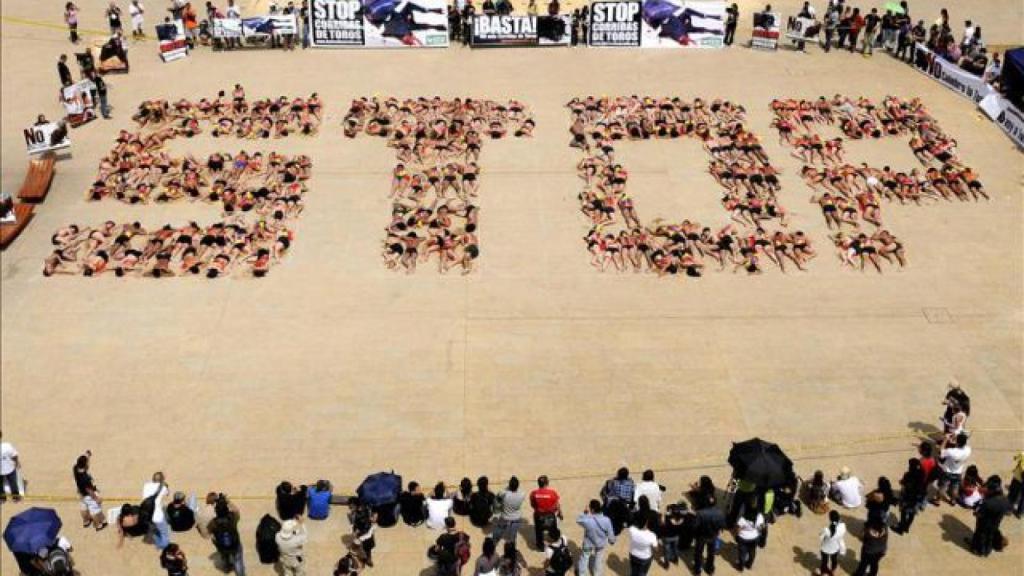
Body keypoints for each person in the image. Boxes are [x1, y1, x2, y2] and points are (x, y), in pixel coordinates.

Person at [970, 475, 1011, 556]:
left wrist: (975, 512)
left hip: (984, 523)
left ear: (991, 490)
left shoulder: (988, 503)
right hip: (996, 523)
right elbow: (1008, 512)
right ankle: (987, 551)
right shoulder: (1005, 499)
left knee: (980, 535)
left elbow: (979, 514)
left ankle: (979, 550)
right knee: (990, 536)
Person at [577, 499, 614, 576]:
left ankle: (582, 574)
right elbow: (610, 533)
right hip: (601, 544)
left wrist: (585, 513)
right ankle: (597, 574)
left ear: (592, 510)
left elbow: (578, 520)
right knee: (598, 559)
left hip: (588, 544)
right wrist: (612, 540)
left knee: (585, 557)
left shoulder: (588, 520)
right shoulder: (607, 520)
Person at [210, 494, 245, 576]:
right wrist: (228, 501)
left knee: (225, 557)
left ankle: (227, 567)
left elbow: (212, 536)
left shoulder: (213, 522)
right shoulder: (232, 518)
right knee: (238, 560)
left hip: (222, 545)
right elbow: (236, 511)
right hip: (235, 543)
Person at [73, 451, 107, 531]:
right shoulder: (85, 478)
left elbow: (82, 460)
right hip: (88, 496)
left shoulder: (75, 468)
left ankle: (86, 521)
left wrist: (87, 455)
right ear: (85, 465)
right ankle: (98, 525)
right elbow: (89, 490)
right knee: (94, 510)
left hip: (81, 493)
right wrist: (96, 499)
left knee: (83, 507)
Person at [936, 433, 972, 505]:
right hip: (958, 472)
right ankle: (953, 500)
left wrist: (946, 439)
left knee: (943, 486)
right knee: (955, 487)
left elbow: (940, 451)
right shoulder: (968, 450)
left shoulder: (951, 451)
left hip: (948, 471)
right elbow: (963, 443)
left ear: (957, 442)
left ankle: (938, 500)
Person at [531, 475, 562, 550]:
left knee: (538, 531)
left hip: (538, 515)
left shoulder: (533, 493)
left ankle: (540, 546)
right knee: (553, 529)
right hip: (550, 515)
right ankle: (555, 540)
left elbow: (532, 505)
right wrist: (560, 513)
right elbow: (557, 504)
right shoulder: (552, 493)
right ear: (546, 483)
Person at [693, 503, 725, 575]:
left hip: (701, 537)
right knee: (711, 554)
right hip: (713, 536)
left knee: (698, 553)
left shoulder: (700, 513)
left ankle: (697, 570)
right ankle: (710, 569)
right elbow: (722, 525)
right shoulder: (720, 513)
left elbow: (695, 526)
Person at [493, 476, 525, 547]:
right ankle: (512, 544)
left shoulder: (504, 493)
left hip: (505, 516)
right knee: (513, 533)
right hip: (516, 517)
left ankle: (494, 541)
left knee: (499, 529)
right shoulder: (522, 494)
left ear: (509, 485)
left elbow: (498, 498)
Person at [142, 472, 171, 548]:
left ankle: (153, 534)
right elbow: (167, 494)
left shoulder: (146, 485)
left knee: (152, 526)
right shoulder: (163, 488)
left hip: (146, 514)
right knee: (164, 533)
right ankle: (162, 545)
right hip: (157, 516)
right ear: (161, 480)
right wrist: (165, 485)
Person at [895, 459, 925, 534]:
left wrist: (901, 482)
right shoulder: (922, 474)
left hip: (907, 497)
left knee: (903, 512)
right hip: (916, 498)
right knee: (912, 514)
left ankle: (900, 529)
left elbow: (903, 483)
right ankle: (907, 527)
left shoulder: (908, 475)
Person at [733, 505, 764, 571]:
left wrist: (736, 535)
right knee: (752, 551)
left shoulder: (743, 519)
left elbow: (738, 530)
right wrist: (756, 529)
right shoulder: (759, 516)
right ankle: (749, 565)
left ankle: (740, 567)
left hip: (743, 538)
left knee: (742, 553)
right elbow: (762, 527)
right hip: (755, 538)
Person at [817, 510, 846, 575]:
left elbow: (820, 537)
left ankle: (823, 573)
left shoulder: (826, 529)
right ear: (839, 518)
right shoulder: (843, 526)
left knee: (824, 561)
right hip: (835, 548)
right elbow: (841, 537)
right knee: (834, 560)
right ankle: (833, 571)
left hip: (825, 548)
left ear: (830, 519)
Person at [0, 432, 22, 502]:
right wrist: (17, 463)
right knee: (13, 483)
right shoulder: (7, 446)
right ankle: (16, 497)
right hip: (10, 469)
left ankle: (2, 498)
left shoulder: (7, 446)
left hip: (4, 471)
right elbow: (14, 455)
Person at [352, 502, 376, 567]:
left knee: (366, 548)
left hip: (364, 534)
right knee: (367, 548)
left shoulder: (359, 515)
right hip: (367, 533)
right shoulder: (366, 509)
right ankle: (368, 559)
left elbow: (358, 526)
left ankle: (368, 560)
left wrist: (356, 532)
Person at [1008, 452, 1024, 519]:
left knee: (1013, 494)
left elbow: (1015, 458)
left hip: (1018, 479)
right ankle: (1020, 512)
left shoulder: (1023, 454)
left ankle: (1009, 509)